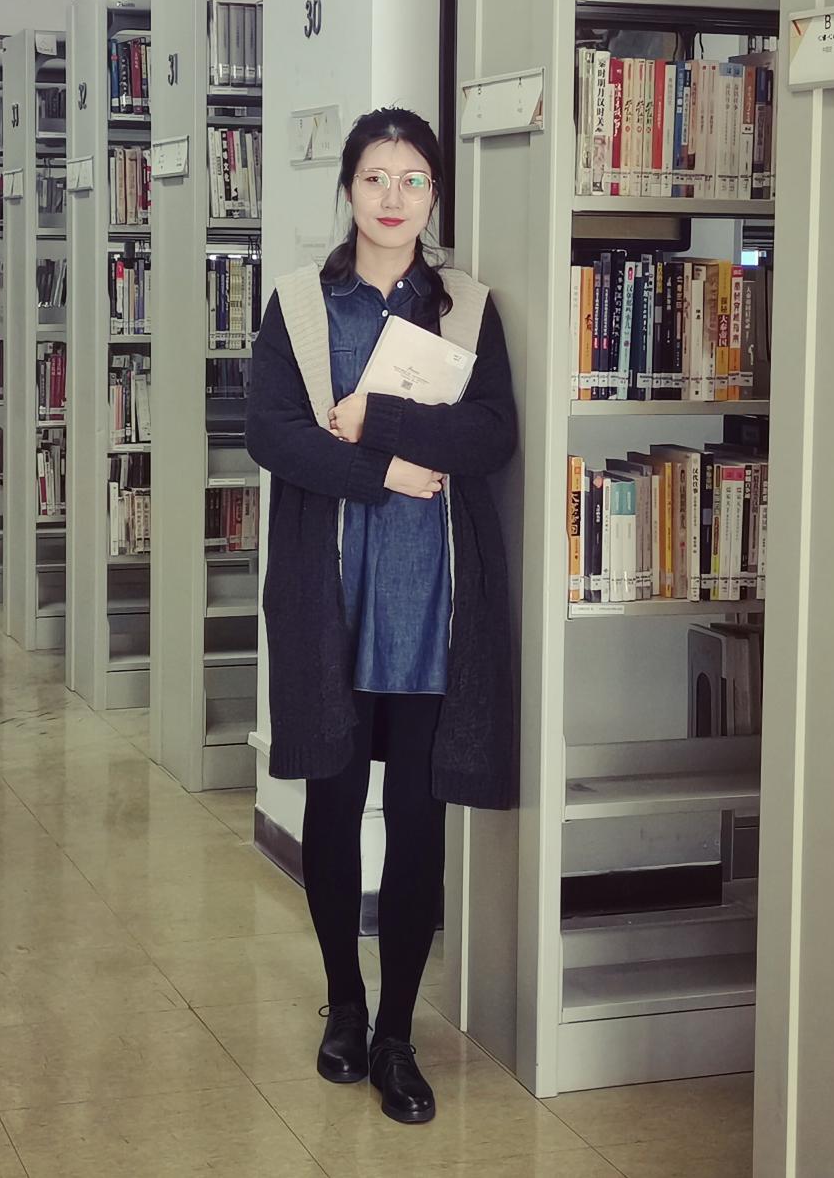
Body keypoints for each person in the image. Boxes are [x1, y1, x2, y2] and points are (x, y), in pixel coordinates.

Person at [245, 108, 517, 1126]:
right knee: (330, 806)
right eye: (374, 178)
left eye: (412, 180)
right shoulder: (298, 307)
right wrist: (385, 470)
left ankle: (398, 1030)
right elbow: (270, 434)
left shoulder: (467, 308)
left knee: (415, 822)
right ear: (348, 189)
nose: (393, 198)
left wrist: (380, 419)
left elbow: (491, 434)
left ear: (433, 194)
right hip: (330, 601)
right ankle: (345, 1005)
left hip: (430, 608)